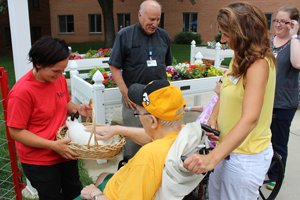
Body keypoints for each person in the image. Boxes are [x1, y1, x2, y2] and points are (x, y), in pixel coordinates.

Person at [182, 2, 276, 200]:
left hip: (244, 157)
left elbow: (250, 118)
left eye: (226, 34)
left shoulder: (258, 64)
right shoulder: (241, 56)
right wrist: (214, 117)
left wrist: (211, 159)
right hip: (226, 149)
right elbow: (225, 89)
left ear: (244, 33)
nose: (223, 40)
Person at [6, 36, 92, 200]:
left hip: (64, 150)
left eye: (63, 70)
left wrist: (77, 109)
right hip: (40, 160)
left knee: (75, 193)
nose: (61, 75)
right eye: (56, 71)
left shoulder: (57, 78)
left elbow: (63, 101)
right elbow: (16, 132)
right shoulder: (22, 92)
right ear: (39, 64)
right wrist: (52, 145)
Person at [76, 80, 185, 200]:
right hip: (125, 183)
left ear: (153, 121)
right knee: (103, 175)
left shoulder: (149, 156)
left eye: (138, 113)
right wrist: (117, 129)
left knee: (90, 188)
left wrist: (95, 194)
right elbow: (151, 136)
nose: (139, 117)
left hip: (109, 195)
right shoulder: (183, 134)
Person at [108, 0, 172, 160]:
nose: (155, 23)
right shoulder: (125, 35)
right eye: (151, 19)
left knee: (158, 139)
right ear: (139, 15)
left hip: (158, 100)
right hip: (134, 100)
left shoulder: (163, 36)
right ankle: (130, 170)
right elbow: (114, 66)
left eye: (158, 19)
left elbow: (166, 64)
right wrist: (125, 92)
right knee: (133, 142)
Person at [267, 5, 300, 190]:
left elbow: (297, 63)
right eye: (276, 20)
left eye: (284, 21)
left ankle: (275, 176)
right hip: (264, 101)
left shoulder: (295, 43)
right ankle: (263, 168)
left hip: (284, 103)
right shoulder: (269, 41)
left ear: (293, 23)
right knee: (263, 138)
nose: (278, 24)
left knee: (278, 141)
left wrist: (295, 35)